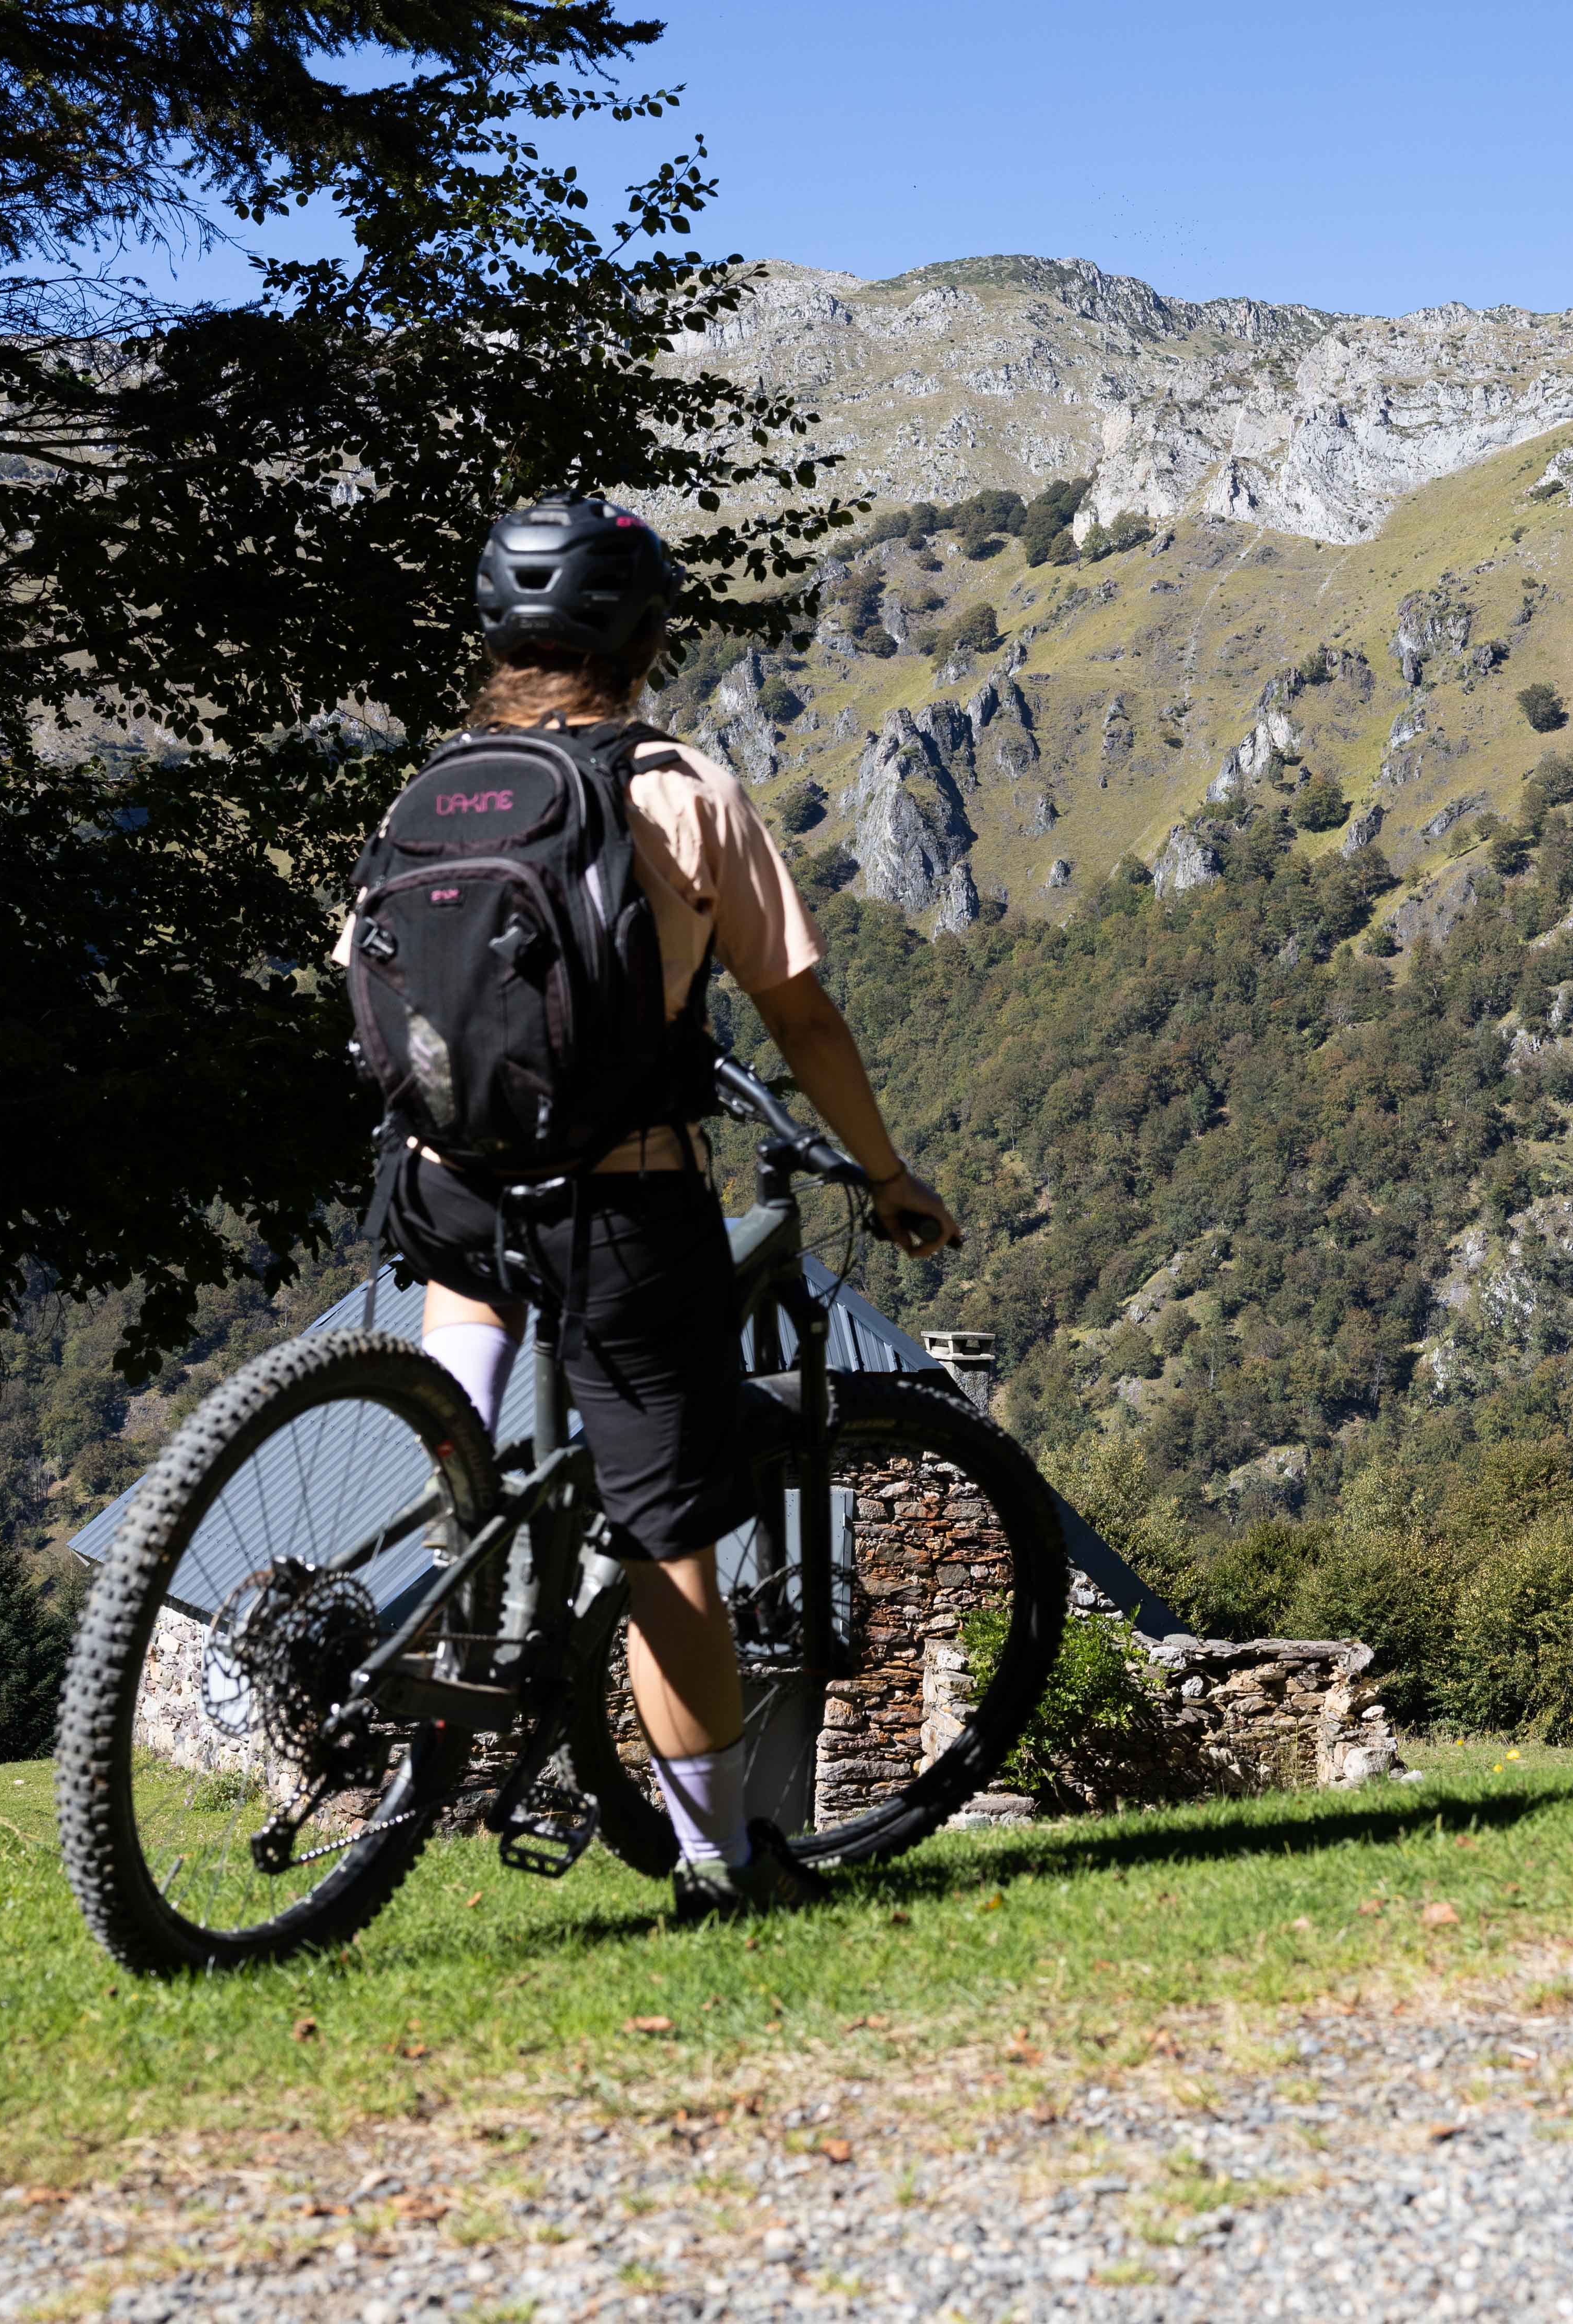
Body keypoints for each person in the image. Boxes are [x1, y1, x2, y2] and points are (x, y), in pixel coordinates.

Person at [355, 491, 957, 1919]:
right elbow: (800, 1014)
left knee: (476, 1406)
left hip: (447, 1189)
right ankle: (716, 1865)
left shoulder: (436, 793)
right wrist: (885, 1170)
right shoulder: (679, 788)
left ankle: (461, 1526)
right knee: (666, 1544)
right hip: (618, 1207)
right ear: (642, 636)